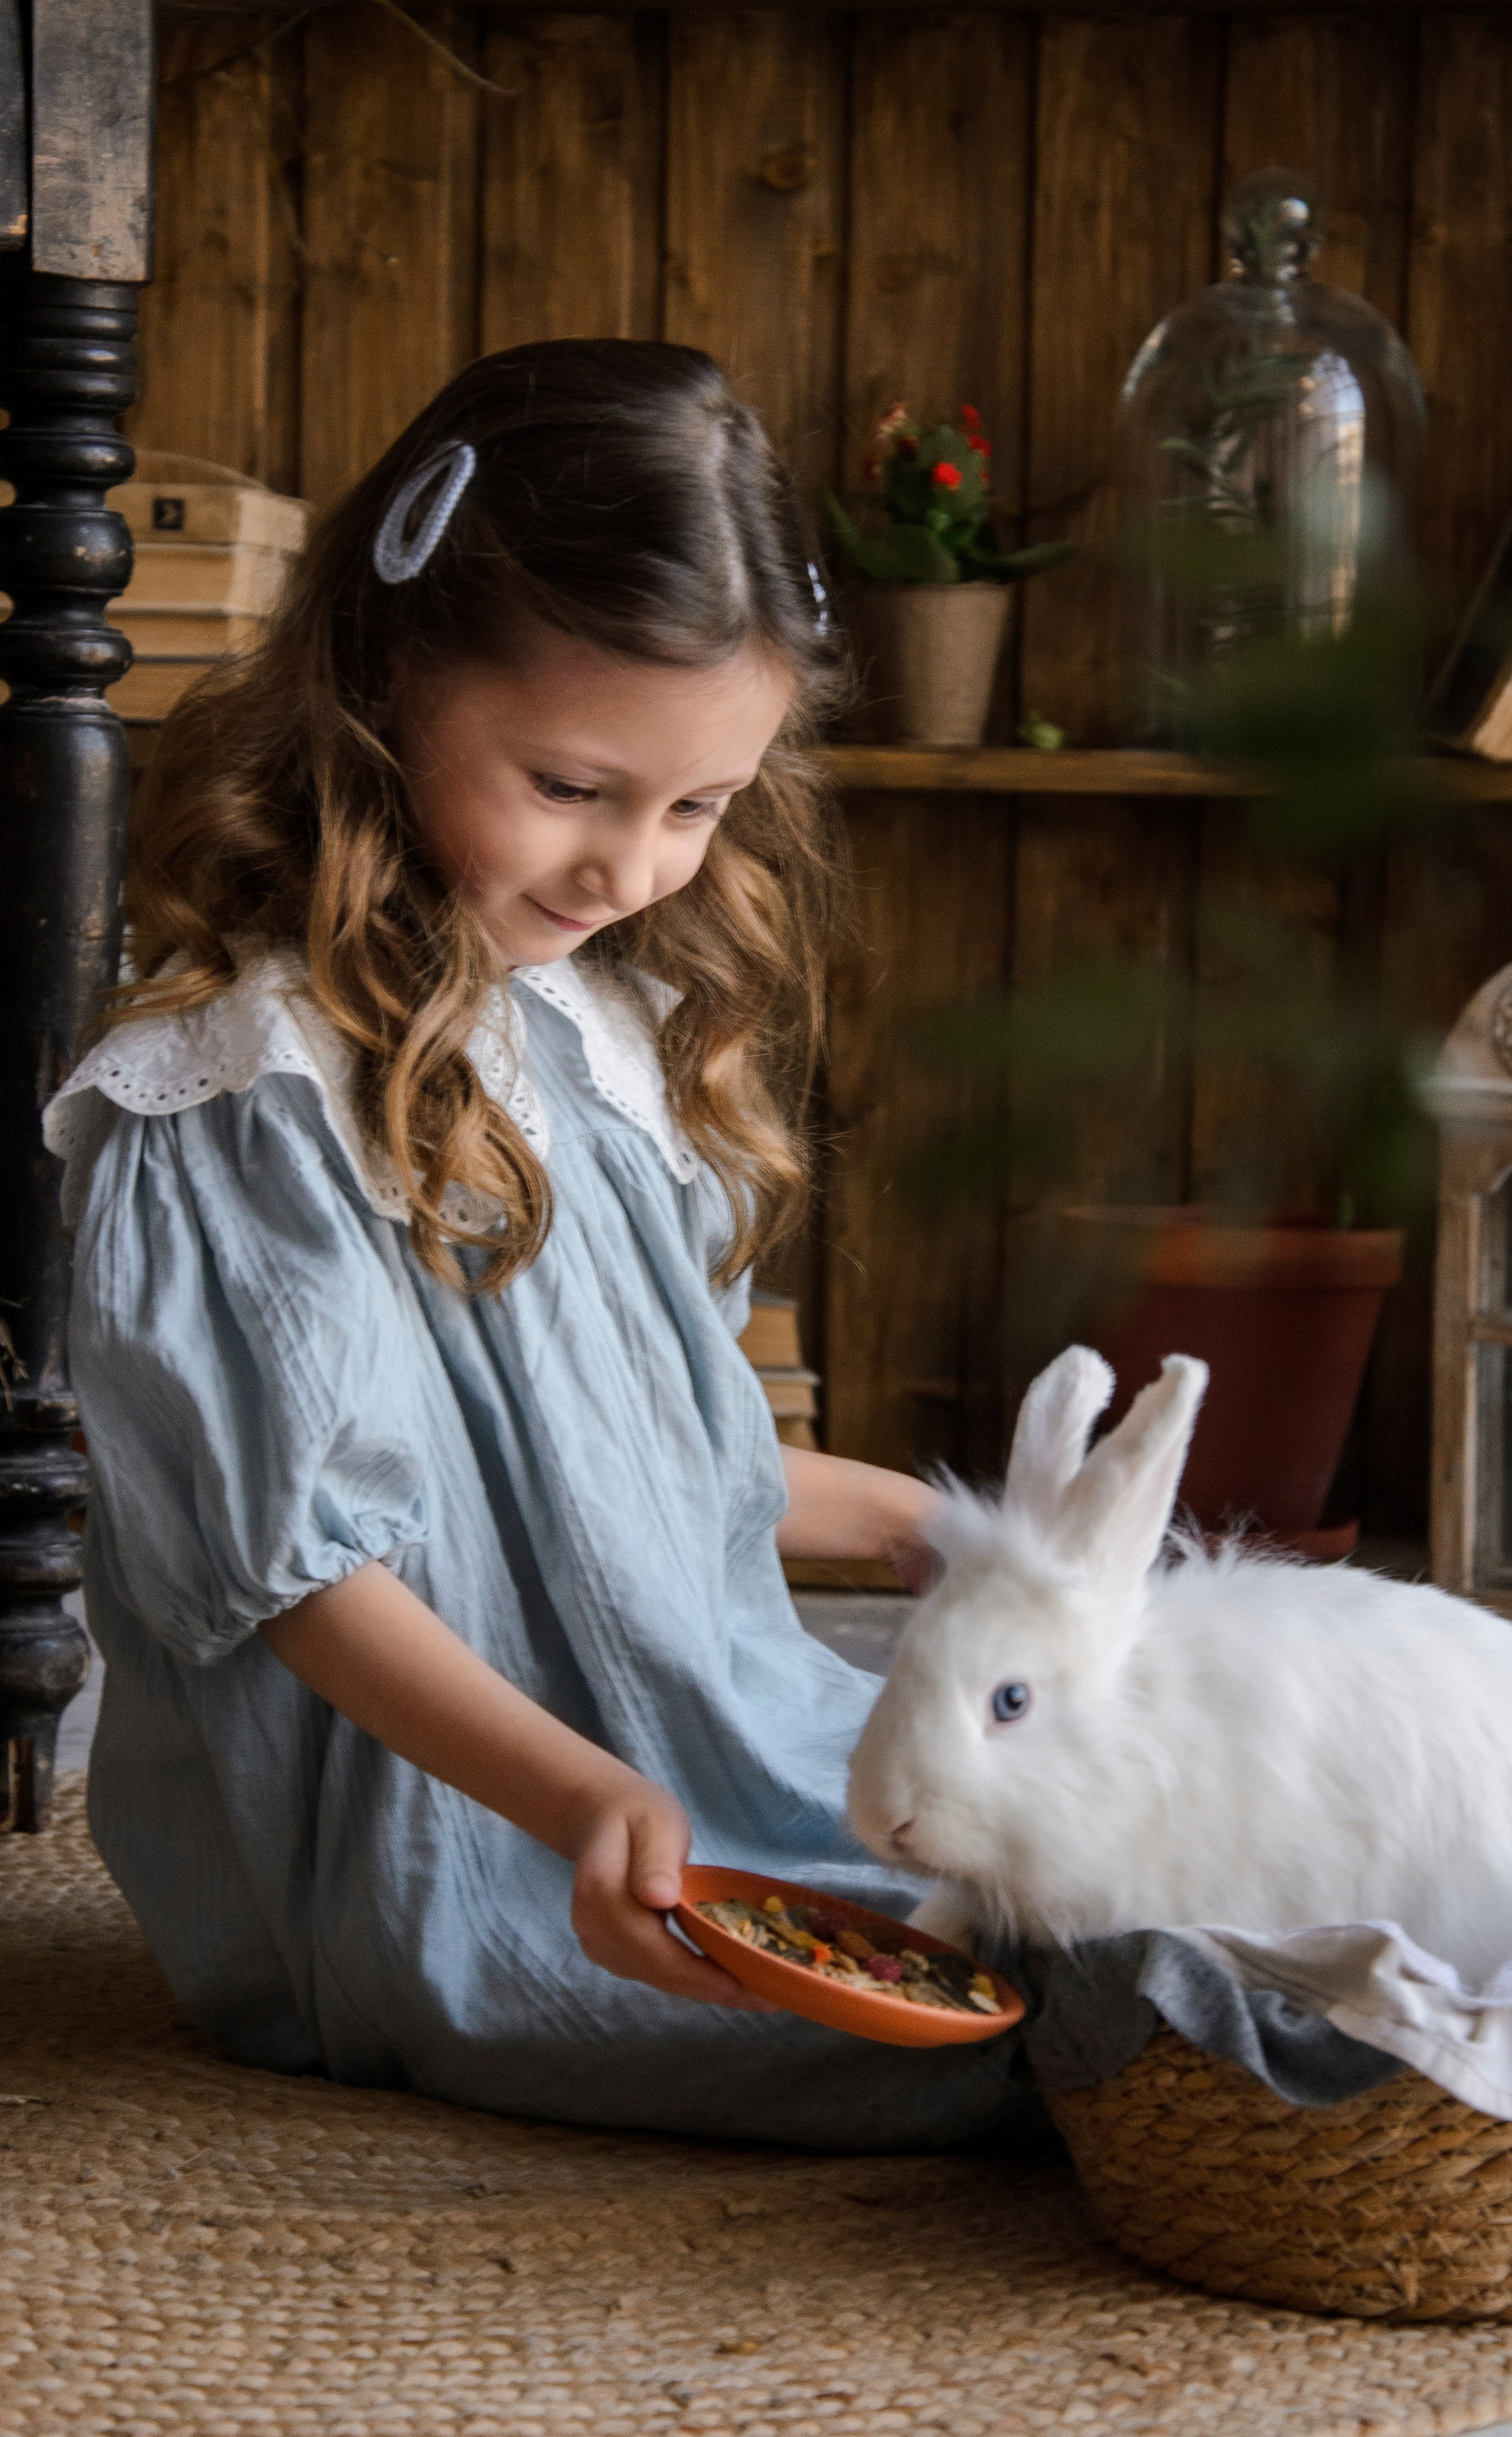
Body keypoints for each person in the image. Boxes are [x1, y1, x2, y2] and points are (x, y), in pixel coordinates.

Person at [47, 342, 1026, 2148]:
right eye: (572, 785)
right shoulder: (238, 1095)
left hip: (689, 1733)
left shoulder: (585, 1026)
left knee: (1104, 1863)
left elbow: (645, 1461)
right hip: (458, 1845)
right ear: (389, 676)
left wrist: (932, 1526)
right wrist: (577, 1793)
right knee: (1065, 2028)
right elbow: (309, 1580)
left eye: (699, 806)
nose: (632, 868)